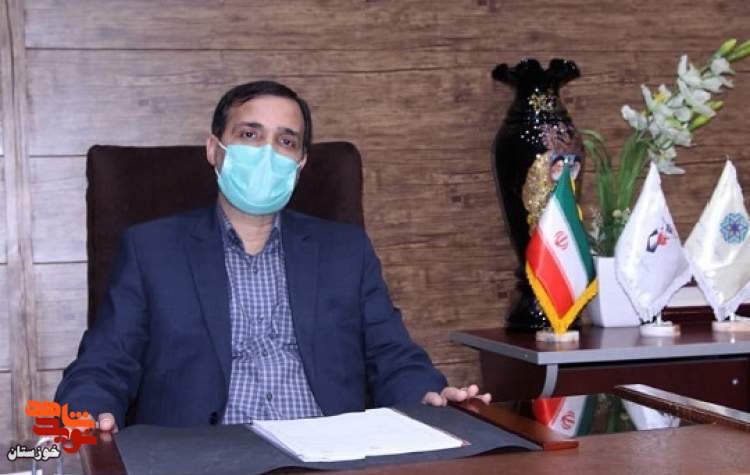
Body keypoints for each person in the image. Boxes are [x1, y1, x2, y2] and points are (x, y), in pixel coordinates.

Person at [55, 80, 490, 432]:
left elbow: (393, 355)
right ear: (214, 149)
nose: (267, 153)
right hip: (206, 455)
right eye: (249, 135)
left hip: (331, 451)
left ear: (300, 164)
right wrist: (87, 411)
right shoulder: (152, 249)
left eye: (285, 141)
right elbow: (105, 362)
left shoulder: (345, 250)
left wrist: (429, 396)